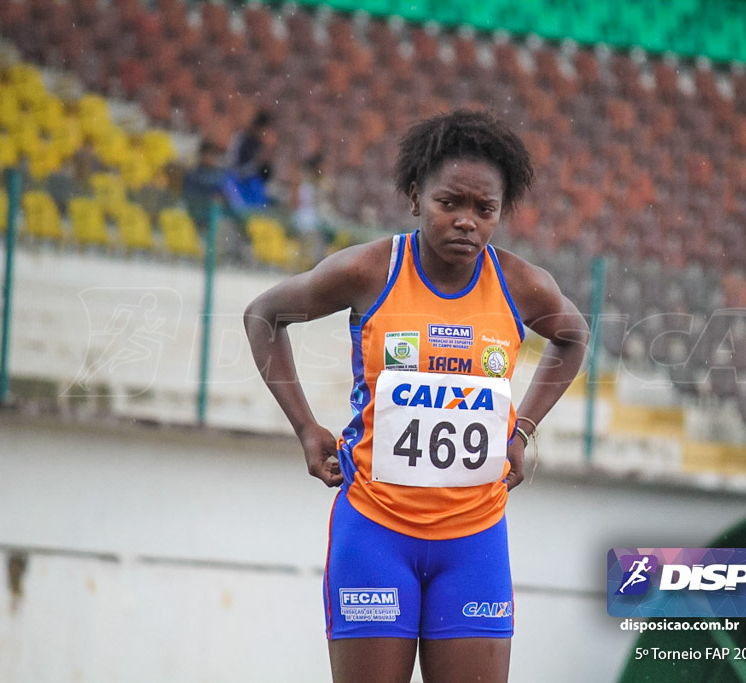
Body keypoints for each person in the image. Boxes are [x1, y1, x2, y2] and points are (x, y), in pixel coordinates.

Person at [244, 109, 589, 683]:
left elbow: (574, 338)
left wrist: (522, 430)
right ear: (413, 197)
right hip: (376, 532)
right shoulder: (369, 271)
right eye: (448, 203)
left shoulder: (521, 285)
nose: (466, 222)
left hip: (474, 541)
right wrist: (306, 427)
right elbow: (264, 315)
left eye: (485, 210)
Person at [227, 109, 277, 208]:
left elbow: (266, 174)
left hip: (253, 183)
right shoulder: (241, 140)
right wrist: (257, 163)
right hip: (237, 181)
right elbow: (235, 167)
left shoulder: (261, 145)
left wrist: (264, 162)